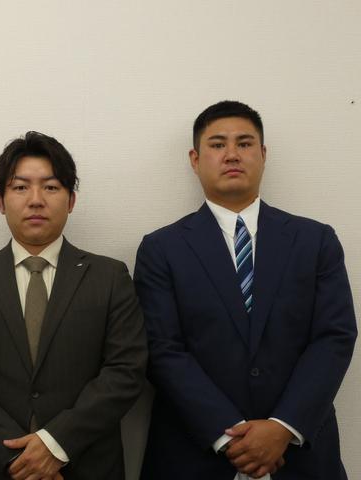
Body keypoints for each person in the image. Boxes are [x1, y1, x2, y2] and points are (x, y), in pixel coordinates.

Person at [135, 100, 357, 479]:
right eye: (217, 144)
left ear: (263, 154)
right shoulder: (161, 249)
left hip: (299, 456)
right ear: (195, 159)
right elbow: (162, 349)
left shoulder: (315, 240)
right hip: (194, 454)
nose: (232, 154)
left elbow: (334, 337)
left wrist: (283, 427)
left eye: (244, 143)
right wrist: (231, 435)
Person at [0, 131, 147, 479]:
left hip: (87, 464)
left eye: (50, 187)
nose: (35, 200)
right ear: (1, 201)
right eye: (20, 187)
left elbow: (126, 370)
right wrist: (19, 456)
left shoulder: (110, 276)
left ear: (71, 200)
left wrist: (55, 444)